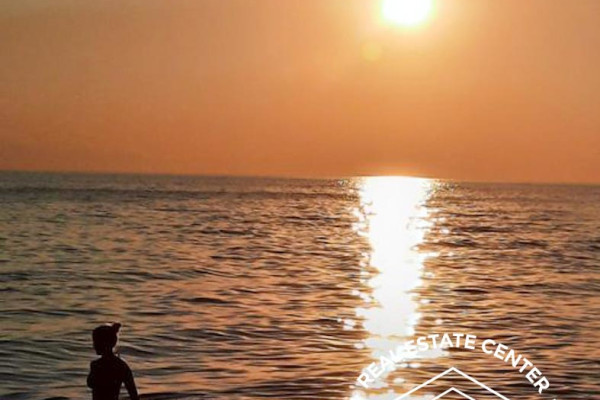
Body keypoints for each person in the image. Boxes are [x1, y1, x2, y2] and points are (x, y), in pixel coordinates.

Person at [87, 323, 139, 400]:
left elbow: (90, 384)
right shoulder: (121, 365)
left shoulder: (96, 365)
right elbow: (133, 394)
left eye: (95, 342)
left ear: (102, 343)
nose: (93, 345)